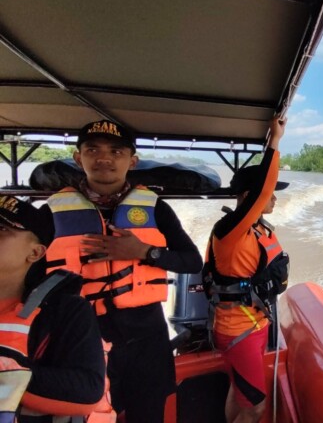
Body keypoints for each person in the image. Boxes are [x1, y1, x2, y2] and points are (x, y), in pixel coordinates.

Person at [39, 120, 204, 423]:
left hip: (147, 336)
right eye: (93, 150)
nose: (104, 158)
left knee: (148, 414)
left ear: (132, 161)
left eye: (116, 151)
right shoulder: (51, 212)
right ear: (79, 158)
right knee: (92, 416)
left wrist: (144, 252)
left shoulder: (156, 209)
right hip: (82, 336)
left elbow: (192, 261)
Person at [205, 117, 288, 423]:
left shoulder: (255, 230)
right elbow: (265, 187)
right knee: (256, 408)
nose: (274, 197)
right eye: (270, 192)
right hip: (239, 329)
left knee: (240, 393)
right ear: (250, 196)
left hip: (251, 324)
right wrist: (275, 142)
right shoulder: (232, 228)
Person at [0, 195, 107, 422]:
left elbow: (87, 391)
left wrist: (11, 374)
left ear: (35, 253)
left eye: (1, 229)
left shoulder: (65, 311)